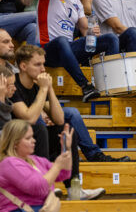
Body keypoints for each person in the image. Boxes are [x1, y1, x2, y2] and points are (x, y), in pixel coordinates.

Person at [10, 45, 107, 199]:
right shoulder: (13, 85)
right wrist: (42, 90)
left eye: (43, 64)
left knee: (66, 132)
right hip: (14, 141)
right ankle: (43, 186)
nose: (43, 69)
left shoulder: (37, 86)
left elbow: (59, 118)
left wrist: (49, 89)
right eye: (37, 64)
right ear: (23, 66)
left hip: (33, 140)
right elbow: (28, 118)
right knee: (39, 128)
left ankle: (74, 190)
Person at [0, 119, 72, 211]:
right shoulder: (9, 163)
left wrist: (66, 148)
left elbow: (64, 173)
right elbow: (37, 188)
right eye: (28, 138)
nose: (33, 141)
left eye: (33, 137)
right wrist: (57, 166)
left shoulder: (36, 160)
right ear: (15, 143)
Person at [0, 66, 15, 131]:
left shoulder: (6, 100)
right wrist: (1, 97)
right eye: (10, 86)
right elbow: (6, 129)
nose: (15, 89)